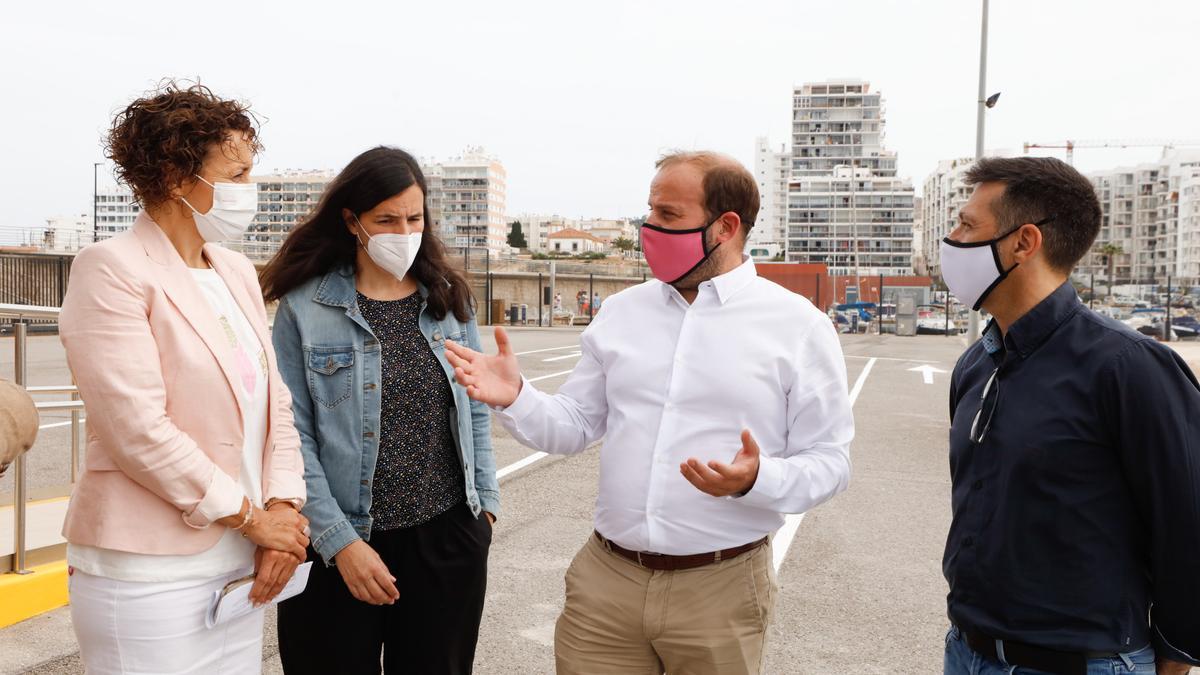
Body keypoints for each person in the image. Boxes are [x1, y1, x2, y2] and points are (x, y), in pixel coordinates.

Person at [445, 151, 853, 675]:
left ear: (725, 226)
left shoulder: (798, 326)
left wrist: (759, 478)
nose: (648, 228)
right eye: (650, 212)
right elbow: (574, 425)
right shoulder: (622, 312)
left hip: (721, 587)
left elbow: (831, 460)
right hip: (606, 584)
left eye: (668, 215)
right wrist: (517, 396)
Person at [58, 82, 308, 674]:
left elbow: (277, 406)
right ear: (175, 177)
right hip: (149, 574)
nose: (251, 191)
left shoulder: (236, 271)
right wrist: (253, 518)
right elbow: (136, 428)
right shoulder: (111, 268)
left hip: (240, 566)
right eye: (238, 175)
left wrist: (283, 513)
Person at [939, 157, 1200, 675]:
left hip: (1083, 662)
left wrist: (1175, 662)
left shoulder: (1128, 367)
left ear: (1024, 241)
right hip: (967, 651)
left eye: (968, 225)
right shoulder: (977, 362)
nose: (951, 239)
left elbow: (1187, 523)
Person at [263, 146, 499, 674]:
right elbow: (290, 435)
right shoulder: (305, 308)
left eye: (414, 218)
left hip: (446, 541)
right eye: (386, 219)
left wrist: (483, 509)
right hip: (336, 545)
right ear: (352, 221)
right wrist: (340, 544)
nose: (403, 231)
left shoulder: (448, 298)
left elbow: (475, 407)